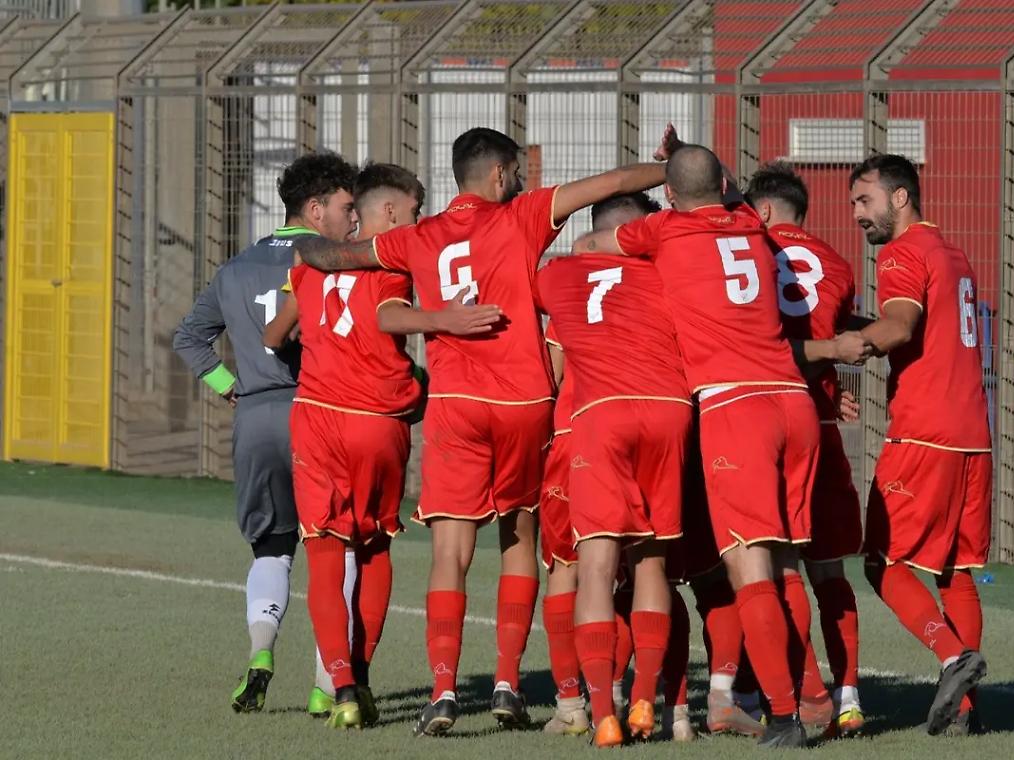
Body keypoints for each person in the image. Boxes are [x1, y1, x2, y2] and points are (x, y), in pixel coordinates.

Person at [291, 127, 668, 735]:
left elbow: (340, 260)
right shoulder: (521, 215)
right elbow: (616, 184)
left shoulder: (419, 234)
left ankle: (442, 693)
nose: (518, 182)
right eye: (515, 173)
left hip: (456, 403)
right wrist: (674, 169)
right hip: (523, 401)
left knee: (449, 551)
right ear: (500, 174)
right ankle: (506, 681)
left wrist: (307, 243)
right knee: (519, 535)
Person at [571, 144, 869, 748]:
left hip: (737, 408)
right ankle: (815, 695)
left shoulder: (666, 229)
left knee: (747, 563)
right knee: (789, 561)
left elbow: (591, 248)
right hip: (796, 400)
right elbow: (722, 189)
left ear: (673, 196)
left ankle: (783, 715)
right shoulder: (752, 223)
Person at [262, 163, 499, 728]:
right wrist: (441, 324)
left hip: (315, 417)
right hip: (374, 420)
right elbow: (387, 314)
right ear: (389, 213)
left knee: (323, 553)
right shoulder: (392, 260)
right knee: (371, 550)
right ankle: (361, 677)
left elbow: (274, 336)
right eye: (414, 210)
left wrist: (315, 354)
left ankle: (340, 686)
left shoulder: (311, 265)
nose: (417, 220)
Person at [172, 152, 358, 713]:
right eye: (347, 208)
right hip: (317, 415)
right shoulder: (334, 262)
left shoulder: (235, 268)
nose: (353, 220)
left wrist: (231, 384)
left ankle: (259, 655)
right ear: (315, 207)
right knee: (337, 546)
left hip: (254, 419)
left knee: (272, 548)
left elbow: (188, 338)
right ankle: (329, 684)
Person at [534, 191, 693, 747]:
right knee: (653, 567)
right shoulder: (673, 275)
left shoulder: (561, 277)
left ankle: (598, 711)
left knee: (590, 569)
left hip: (595, 419)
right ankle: (648, 698)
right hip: (671, 413)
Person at [849, 153, 991, 736]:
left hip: (923, 432)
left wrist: (840, 347)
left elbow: (901, 326)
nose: (859, 214)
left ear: (900, 198)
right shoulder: (951, 253)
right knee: (955, 571)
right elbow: (919, 324)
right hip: (973, 435)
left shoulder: (901, 253)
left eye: (865, 201)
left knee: (881, 562)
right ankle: (964, 711)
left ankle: (952, 657)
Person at [746, 161, 865, 737]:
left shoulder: (743, 252)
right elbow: (832, 336)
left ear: (763, 211)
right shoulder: (839, 265)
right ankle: (848, 695)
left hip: (756, 415)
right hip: (819, 421)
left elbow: (761, 337)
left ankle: (801, 690)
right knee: (829, 568)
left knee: (772, 562)